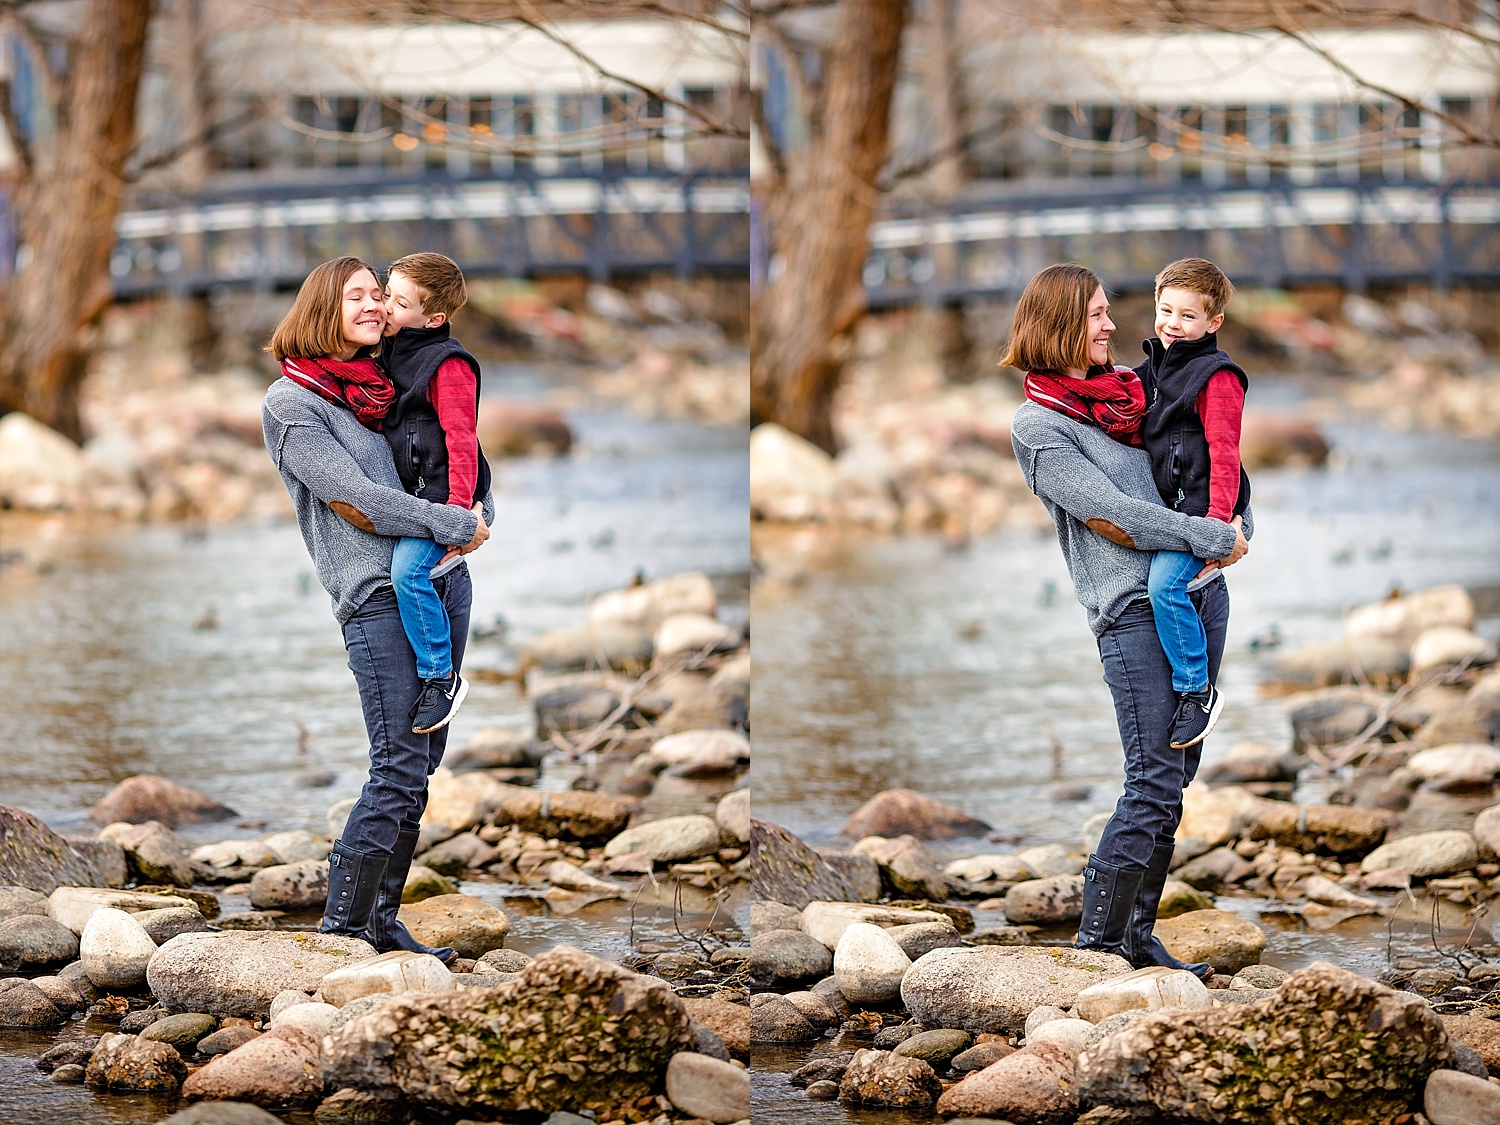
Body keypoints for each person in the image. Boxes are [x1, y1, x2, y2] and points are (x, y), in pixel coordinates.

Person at [1004, 264, 1250, 980]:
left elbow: (1206, 453)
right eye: (1096, 315)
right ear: (1059, 326)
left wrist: (1236, 517)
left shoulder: (1131, 396)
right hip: (1132, 612)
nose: (1113, 326)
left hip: (1200, 594)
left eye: (1111, 311)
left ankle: (1139, 935)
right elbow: (1115, 518)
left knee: (1176, 778)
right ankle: (1098, 944)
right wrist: (1209, 536)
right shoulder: (1040, 427)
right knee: (1151, 776)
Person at [261, 256, 491, 962]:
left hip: (443, 583)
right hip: (376, 599)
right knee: (395, 765)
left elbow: (456, 450)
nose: (372, 305)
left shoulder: (386, 383)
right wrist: (454, 524)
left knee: (419, 769)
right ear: (322, 308)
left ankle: (383, 920)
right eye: (356, 295)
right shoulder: (292, 405)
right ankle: (342, 929)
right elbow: (357, 502)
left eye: (377, 295)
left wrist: (481, 507)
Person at [1135, 258, 1251, 752]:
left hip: (1207, 510)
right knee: (1161, 583)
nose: (1173, 325)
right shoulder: (1153, 367)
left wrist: (1218, 527)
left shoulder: (1217, 378)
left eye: (1188, 317)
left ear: (1213, 323)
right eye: (1166, 311)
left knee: (1164, 585)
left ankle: (1195, 691)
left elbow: (1226, 454)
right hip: (1173, 508)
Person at [378, 252, 493, 736]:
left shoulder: (448, 366)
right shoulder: (390, 351)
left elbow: (462, 441)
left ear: (434, 319)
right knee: (408, 569)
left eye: (399, 303)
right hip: (414, 496)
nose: (385, 307)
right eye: (387, 293)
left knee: (407, 572)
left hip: (446, 497)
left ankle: (438, 677)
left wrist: (458, 515)